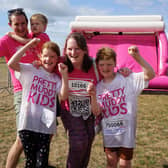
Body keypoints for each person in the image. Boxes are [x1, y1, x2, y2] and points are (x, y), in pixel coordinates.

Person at [7, 38, 68, 168]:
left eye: (52, 56)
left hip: (46, 127)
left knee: (42, 163)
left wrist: (65, 76)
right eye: (45, 56)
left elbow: (63, 97)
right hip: (27, 125)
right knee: (30, 161)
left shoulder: (56, 78)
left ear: (57, 58)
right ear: (40, 56)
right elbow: (11, 63)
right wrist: (29, 44)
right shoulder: (31, 69)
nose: (48, 59)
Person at [95, 46, 155, 168]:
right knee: (111, 162)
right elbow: (97, 110)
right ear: (97, 65)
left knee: (124, 163)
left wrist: (137, 57)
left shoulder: (127, 79)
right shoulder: (98, 87)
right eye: (102, 64)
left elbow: (150, 74)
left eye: (109, 64)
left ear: (115, 64)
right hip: (110, 132)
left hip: (126, 132)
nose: (105, 68)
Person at [0, 8, 39, 168]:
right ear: (10, 25)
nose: (22, 27)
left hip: (41, 91)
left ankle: (38, 162)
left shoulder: (34, 37)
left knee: (44, 135)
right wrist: (11, 37)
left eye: (24, 23)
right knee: (22, 138)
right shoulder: (5, 41)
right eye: (17, 24)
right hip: (22, 92)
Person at [60, 32, 101, 168]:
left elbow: (111, 71)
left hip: (89, 111)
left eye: (77, 48)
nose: (73, 52)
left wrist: (124, 71)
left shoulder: (94, 65)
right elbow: (47, 61)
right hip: (69, 110)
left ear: (84, 50)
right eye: (69, 49)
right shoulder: (61, 65)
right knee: (79, 142)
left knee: (88, 141)